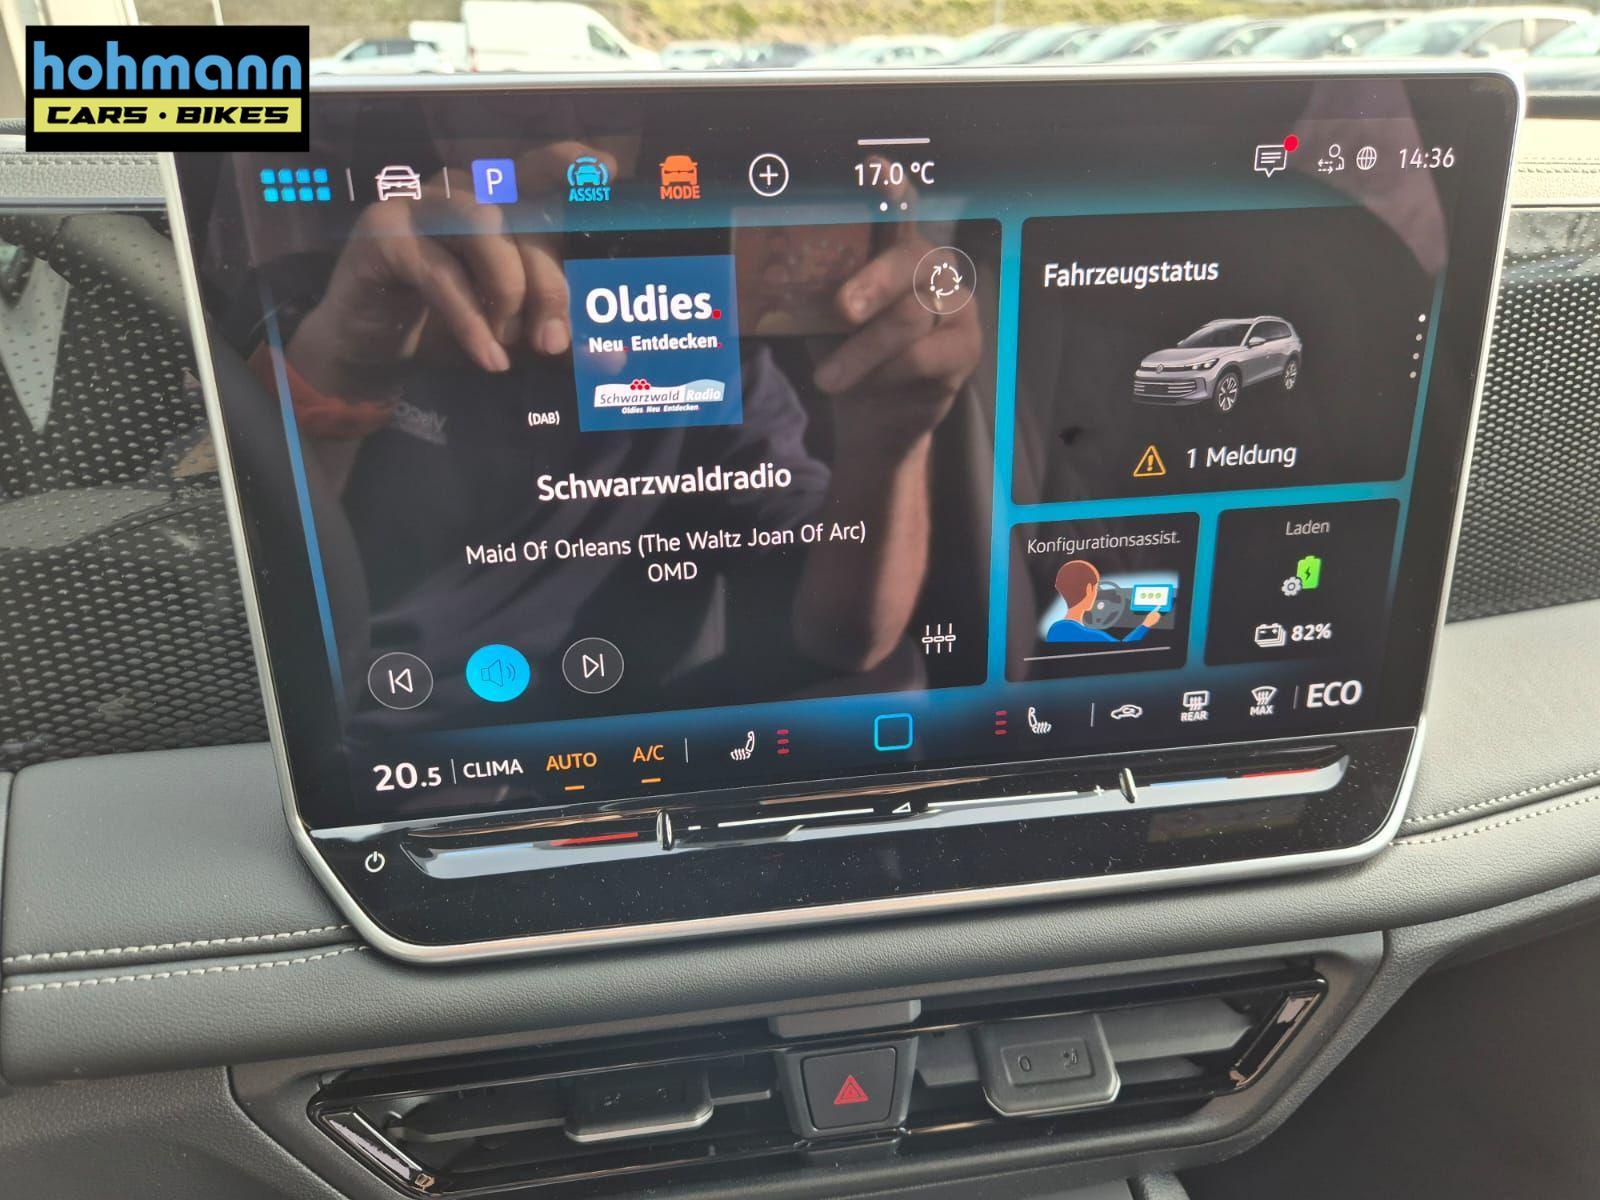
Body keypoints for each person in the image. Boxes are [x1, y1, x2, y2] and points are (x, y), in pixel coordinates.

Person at [1045, 559, 1162, 644]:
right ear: (1089, 589)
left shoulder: (1054, 630)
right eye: (1096, 588)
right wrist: (1146, 624)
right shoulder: (1093, 636)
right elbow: (1124, 650)